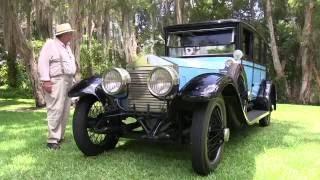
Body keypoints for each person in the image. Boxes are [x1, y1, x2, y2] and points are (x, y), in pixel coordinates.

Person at [38, 23, 76, 150]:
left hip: (68, 80)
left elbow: (69, 65)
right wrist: (45, 81)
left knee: (65, 109)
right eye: (69, 33)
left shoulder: (67, 47)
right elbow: (42, 62)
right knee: (55, 108)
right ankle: (52, 140)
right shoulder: (50, 44)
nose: (71, 35)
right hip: (57, 81)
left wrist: (73, 79)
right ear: (63, 34)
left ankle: (59, 136)